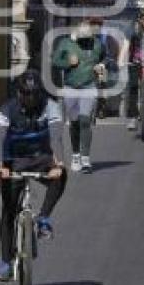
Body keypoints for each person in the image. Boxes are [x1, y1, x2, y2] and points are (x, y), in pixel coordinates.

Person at [0, 69, 67, 281]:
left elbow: (56, 138)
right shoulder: (7, 109)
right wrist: (0, 165)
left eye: (35, 94)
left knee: (61, 175)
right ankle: (6, 262)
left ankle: (43, 217)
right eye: (26, 93)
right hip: (12, 160)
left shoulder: (51, 106)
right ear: (19, 93)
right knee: (9, 211)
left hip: (39, 156)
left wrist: (58, 163)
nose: (30, 98)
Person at [51, 17, 107, 174]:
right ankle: (75, 155)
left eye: (88, 38)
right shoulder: (66, 43)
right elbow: (55, 61)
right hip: (71, 87)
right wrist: (68, 62)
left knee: (85, 120)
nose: (86, 41)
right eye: (83, 39)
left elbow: (104, 57)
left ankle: (85, 158)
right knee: (74, 122)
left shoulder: (97, 44)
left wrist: (101, 66)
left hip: (89, 86)